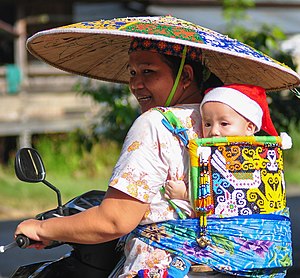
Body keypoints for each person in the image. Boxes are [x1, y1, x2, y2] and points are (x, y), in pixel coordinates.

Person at [15, 37, 222, 277]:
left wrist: (41, 229)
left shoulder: (156, 123)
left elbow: (114, 220)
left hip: (162, 269)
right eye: (133, 73)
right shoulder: (229, 123)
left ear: (185, 76)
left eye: (148, 71)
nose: (136, 84)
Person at [164, 83, 279, 202]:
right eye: (207, 124)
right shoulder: (209, 151)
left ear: (249, 128)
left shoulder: (250, 156)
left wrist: (187, 194)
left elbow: (232, 188)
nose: (214, 131)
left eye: (224, 124)